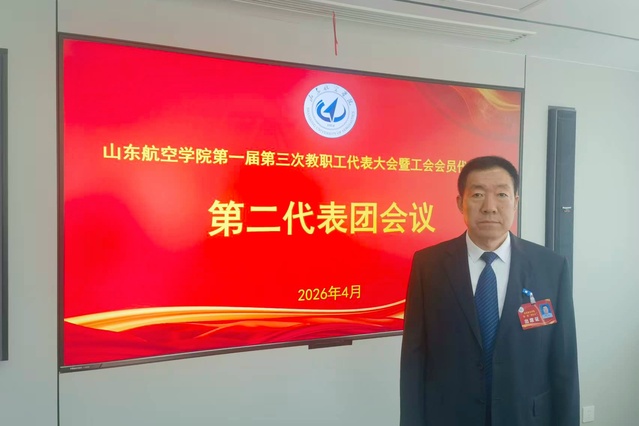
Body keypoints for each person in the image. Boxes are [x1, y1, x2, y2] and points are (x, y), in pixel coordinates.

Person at [400, 156, 579, 426]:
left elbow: (564, 361)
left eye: (501, 194)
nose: (490, 207)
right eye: (478, 194)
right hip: (449, 417)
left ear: (515, 202)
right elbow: (414, 358)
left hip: (526, 417)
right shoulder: (429, 265)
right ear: (460, 202)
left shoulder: (551, 267)